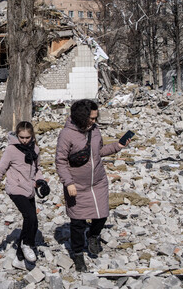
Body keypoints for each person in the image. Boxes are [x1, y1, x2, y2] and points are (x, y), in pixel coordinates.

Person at [55, 99, 127, 272]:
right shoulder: (67, 134)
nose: (95, 121)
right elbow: (60, 161)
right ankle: (78, 254)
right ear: (81, 116)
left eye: (95, 117)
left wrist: (117, 146)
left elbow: (98, 152)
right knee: (78, 222)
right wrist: (68, 182)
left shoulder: (95, 130)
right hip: (76, 185)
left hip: (98, 182)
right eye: (91, 118)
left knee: (102, 214)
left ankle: (93, 235)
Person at [0, 121, 47, 269]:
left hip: (29, 189)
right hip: (15, 188)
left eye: (27, 137)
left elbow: (37, 168)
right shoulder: (11, 150)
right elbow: (0, 170)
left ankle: (19, 259)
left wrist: (41, 181)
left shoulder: (35, 149)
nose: (24, 140)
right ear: (17, 135)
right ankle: (26, 244)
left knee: (34, 223)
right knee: (30, 216)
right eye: (21, 137)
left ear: (32, 135)